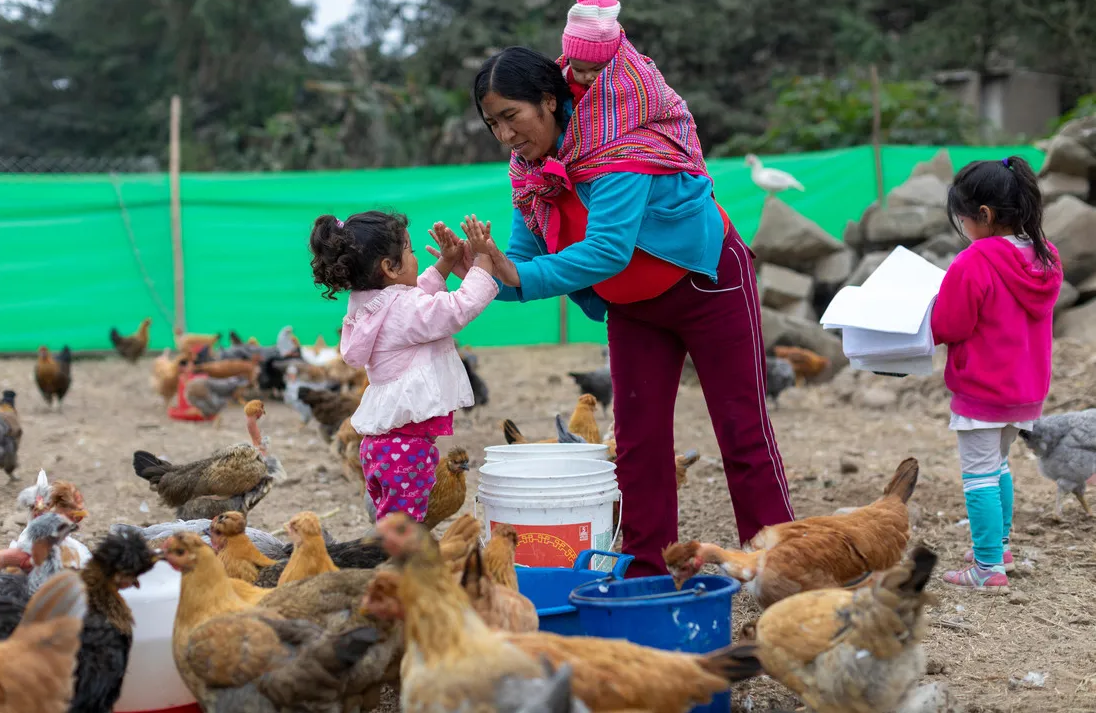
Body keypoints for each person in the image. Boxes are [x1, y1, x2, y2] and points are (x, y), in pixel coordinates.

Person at [449, 41, 795, 578]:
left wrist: (512, 271)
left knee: (741, 430)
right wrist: (477, 267)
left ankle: (780, 564)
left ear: (549, 101)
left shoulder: (615, 146)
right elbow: (522, 262)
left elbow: (607, 250)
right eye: (492, 124)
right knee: (637, 443)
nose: (505, 136)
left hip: (706, 283)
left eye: (512, 117)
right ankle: (646, 572)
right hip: (634, 305)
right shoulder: (530, 172)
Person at [308, 211, 498, 523]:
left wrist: (445, 264)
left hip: (382, 448)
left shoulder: (368, 303)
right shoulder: (401, 311)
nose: (414, 258)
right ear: (389, 267)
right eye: (409, 252)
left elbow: (411, 299)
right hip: (405, 450)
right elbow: (454, 309)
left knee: (393, 526)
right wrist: (482, 262)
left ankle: (392, 562)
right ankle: (398, 569)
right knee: (404, 532)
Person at [931, 156, 1062, 593]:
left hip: (982, 390)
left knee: (979, 474)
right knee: (999, 464)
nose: (963, 227)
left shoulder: (975, 261)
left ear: (983, 216)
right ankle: (999, 546)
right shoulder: (1045, 255)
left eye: (963, 218)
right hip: (1025, 390)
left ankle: (988, 567)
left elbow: (950, 325)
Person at [558, 0, 622, 103]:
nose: (588, 77)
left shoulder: (630, 83)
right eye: (579, 70)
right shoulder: (564, 78)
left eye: (597, 69)